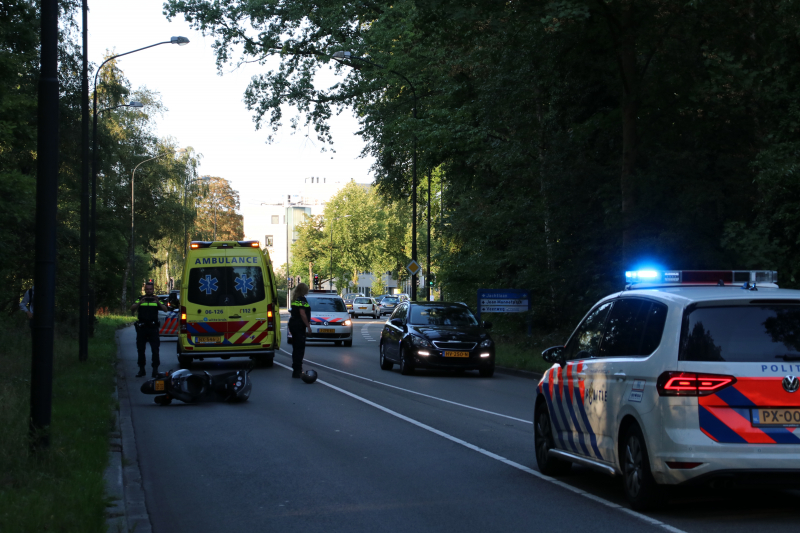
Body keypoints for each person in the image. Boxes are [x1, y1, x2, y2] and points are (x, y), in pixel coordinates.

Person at [131, 279, 168, 378]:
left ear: (153, 289)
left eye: (150, 289)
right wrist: (139, 303)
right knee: (141, 349)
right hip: (142, 328)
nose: (149, 291)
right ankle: (141, 369)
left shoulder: (156, 299)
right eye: (147, 289)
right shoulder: (140, 298)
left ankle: (155, 370)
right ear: (145, 289)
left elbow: (165, 309)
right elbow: (132, 308)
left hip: (153, 328)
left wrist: (158, 302)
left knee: (155, 350)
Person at [288, 282, 312, 378]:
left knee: (296, 348)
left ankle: (296, 369)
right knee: (299, 349)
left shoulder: (295, 299)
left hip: (293, 324)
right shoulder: (302, 300)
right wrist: (308, 326)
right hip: (299, 326)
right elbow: (302, 313)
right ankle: (298, 370)